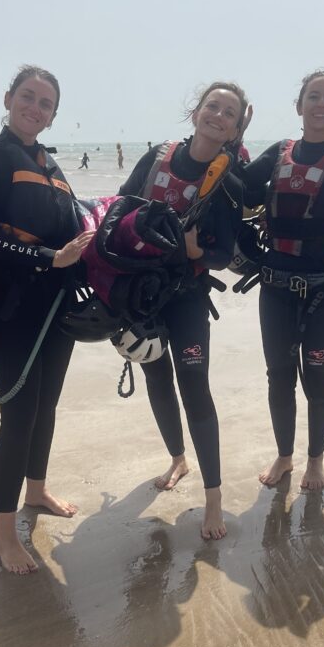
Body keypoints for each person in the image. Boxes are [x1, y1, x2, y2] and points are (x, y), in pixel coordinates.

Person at [0, 65, 93, 574]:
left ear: (53, 116)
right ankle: (3, 534)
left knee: (47, 405)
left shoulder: (52, 167)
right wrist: (47, 259)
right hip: (12, 308)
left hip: (55, 305)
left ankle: (36, 489)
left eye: (45, 104)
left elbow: (68, 229)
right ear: (9, 98)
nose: (35, 108)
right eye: (28, 97)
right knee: (18, 417)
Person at [119, 81, 249, 540]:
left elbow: (224, 255)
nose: (218, 115)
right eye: (212, 106)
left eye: (229, 113)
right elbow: (118, 207)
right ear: (196, 112)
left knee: (195, 387)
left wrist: (195, 252)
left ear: (236, 127)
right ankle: (177, 459)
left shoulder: (229, 183)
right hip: (141, 292)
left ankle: (214, 499)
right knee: (156, 377)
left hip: (187, 296)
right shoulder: (157, 157)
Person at [239, 70, 324, 491]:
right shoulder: (279, 152)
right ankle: (284, 456)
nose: (321, 103)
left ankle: (315, 460)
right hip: (276, 288)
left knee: (316, 378)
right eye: (314, 96)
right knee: (279, 376)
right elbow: (239, 192)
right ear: (300, 106)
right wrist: (231, 143)